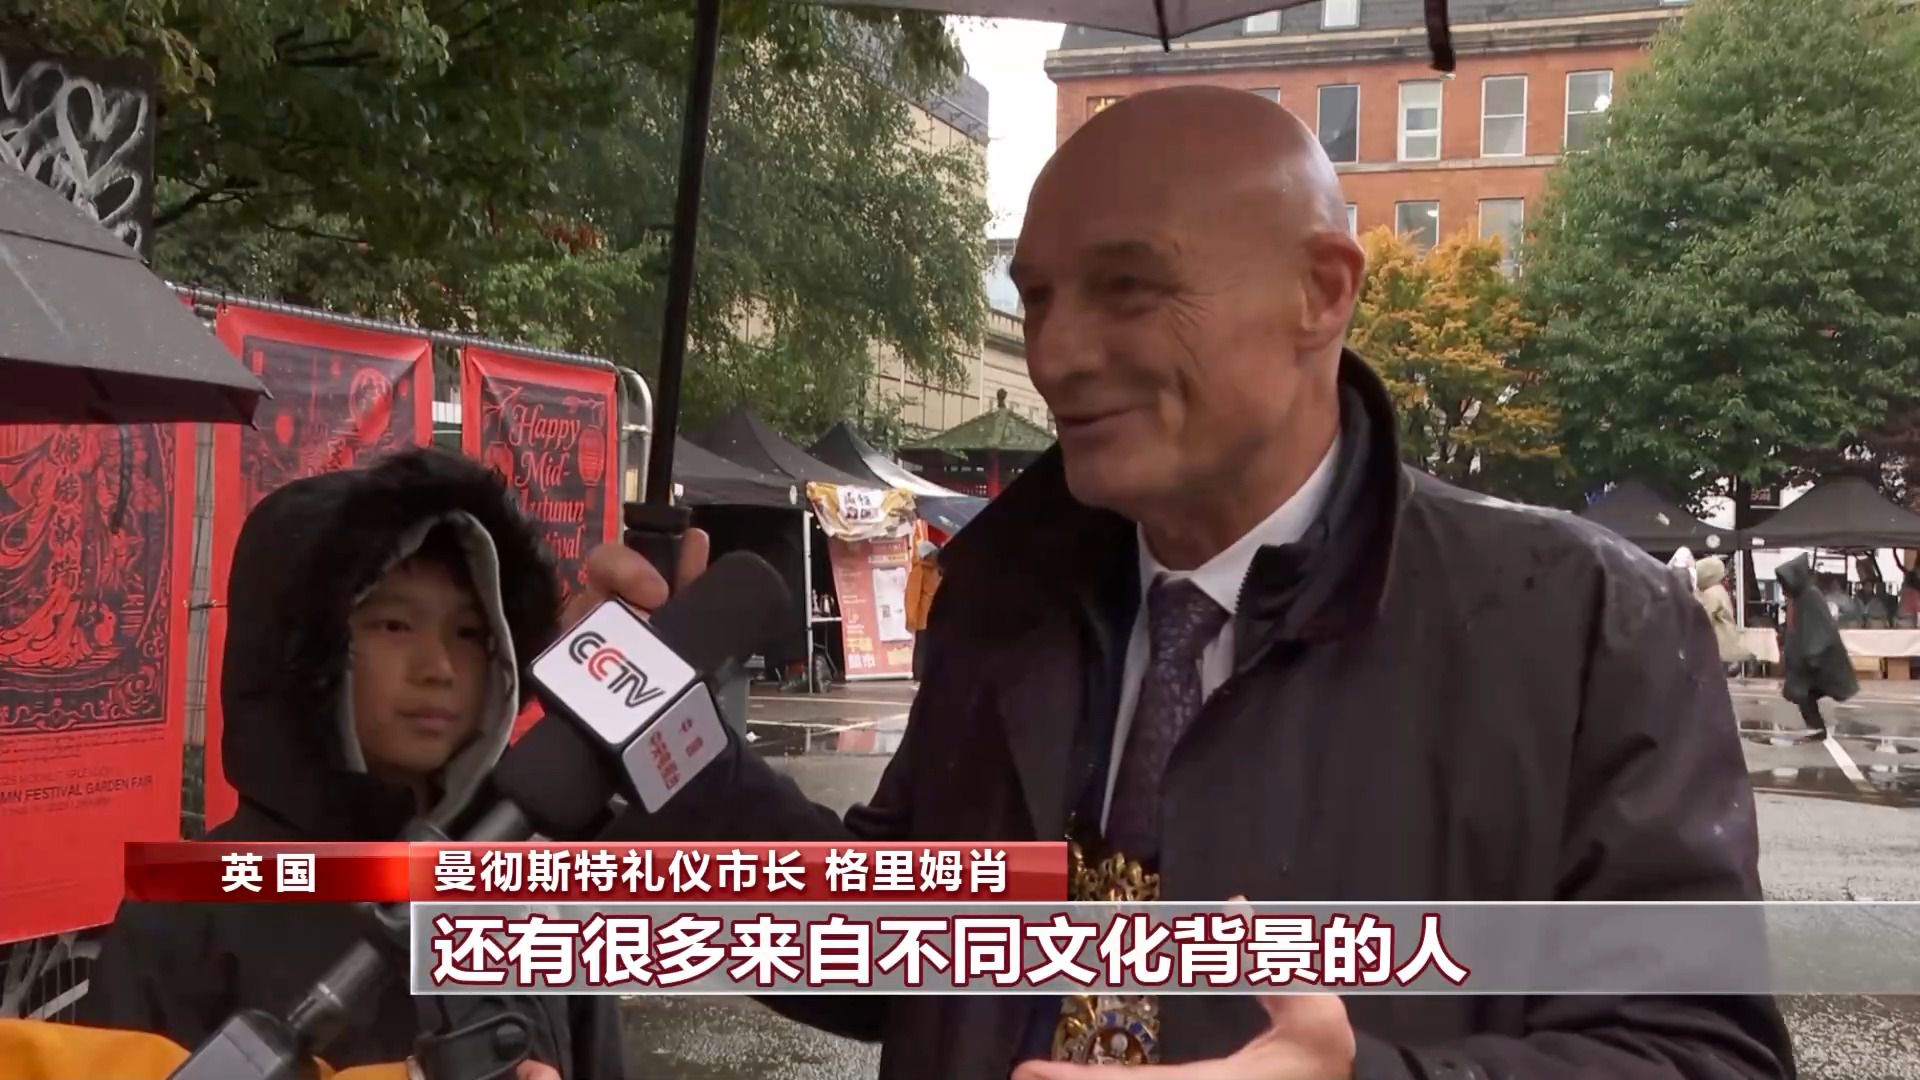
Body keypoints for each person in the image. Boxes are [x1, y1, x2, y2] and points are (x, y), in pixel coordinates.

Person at [575, 87, 1792, 1079]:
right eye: (1037, 297)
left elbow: (1702, 1054)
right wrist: (648, 720)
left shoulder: (1585, 626)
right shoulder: (1005, 600)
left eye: (1129, 288)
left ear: (1323, 291)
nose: (1056, 354)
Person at [77, 448, 620, 1080]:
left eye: (470, 633)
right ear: (303, 646)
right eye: (394, 626)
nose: (439, 668)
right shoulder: (185, 911)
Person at [1776, 553, 1858, 742]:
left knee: (1802, 692)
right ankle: (1816, 729)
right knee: (1801, 693)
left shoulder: (1810, 596)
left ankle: (1817, 729)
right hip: (1806, 658)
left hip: (1814, 657)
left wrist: (1811, 654)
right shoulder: (1800, 597)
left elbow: (1820, 627)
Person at [1695, 556, 1751, 676]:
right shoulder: (1719, 590)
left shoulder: (1711, 593)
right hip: (1725, 645)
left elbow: (1705, 618)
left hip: (1718, 647)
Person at [905, 536, 943, 680]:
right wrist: (911, 618)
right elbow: (912, 596)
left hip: (935, 616)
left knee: (931, 647)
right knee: (922, 647)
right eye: (933, 553)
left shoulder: (936, 570)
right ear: (928, 555)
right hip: (923, 618)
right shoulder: (919, 570)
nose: (936, 556)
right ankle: (919, 676)